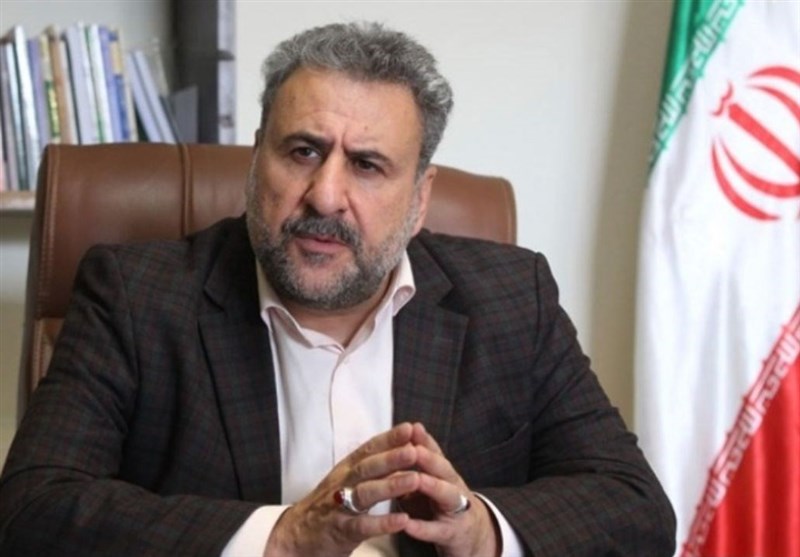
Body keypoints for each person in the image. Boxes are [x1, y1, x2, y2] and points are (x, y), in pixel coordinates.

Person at [0, 22, 675, 557]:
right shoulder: (136, 294)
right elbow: (31, 509)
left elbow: (635, 507)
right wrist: (280, 539)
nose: (325, 194)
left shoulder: (511, 298)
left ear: (420, 198)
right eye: (302, 151)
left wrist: (482, 533)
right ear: (256, 157)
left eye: (368, 164)